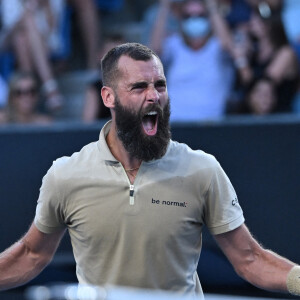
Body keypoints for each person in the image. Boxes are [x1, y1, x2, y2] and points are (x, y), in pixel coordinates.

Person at [0, 43, 299, 299]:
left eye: (160, 85)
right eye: (139, 87)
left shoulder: (202, 169)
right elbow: (31, 254)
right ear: (108, 98)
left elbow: (249, 258)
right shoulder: (66, 174)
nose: (154, 95)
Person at [150, 0, 235, 122]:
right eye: (188, 16)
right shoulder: (174, 44)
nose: (194, 20)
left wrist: (211, 6)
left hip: (212, 125)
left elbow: (228, 46)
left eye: (200, 15)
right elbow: (154, 49)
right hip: (176, 125)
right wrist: (165, 6)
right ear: (181, 20)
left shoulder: (217, 46)